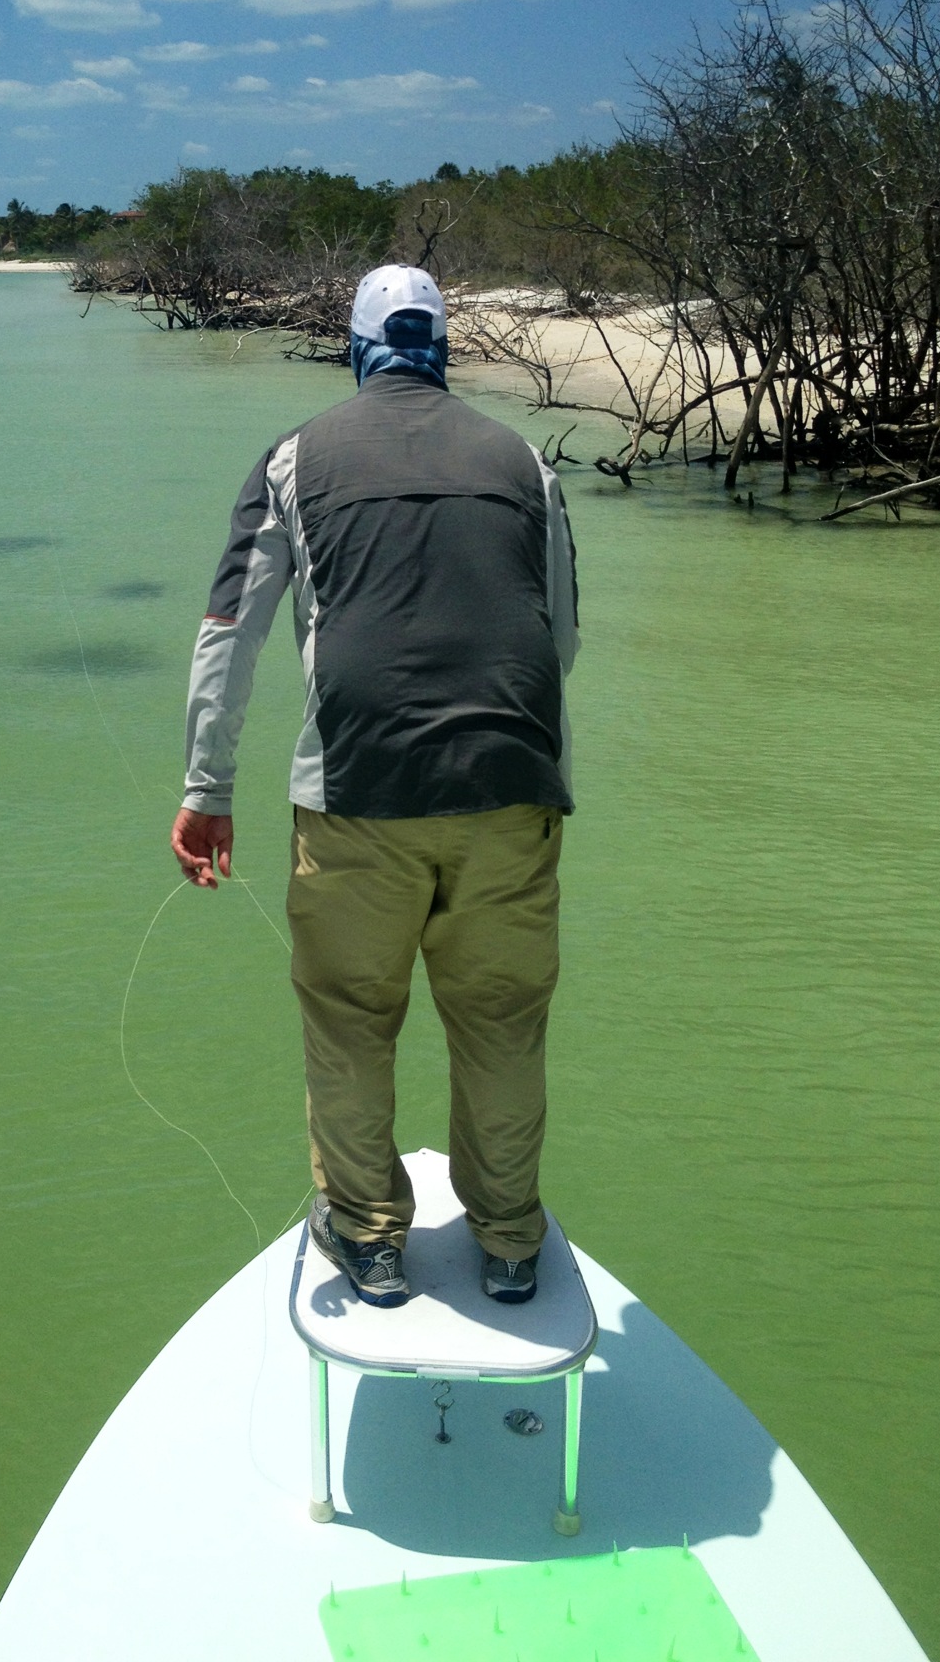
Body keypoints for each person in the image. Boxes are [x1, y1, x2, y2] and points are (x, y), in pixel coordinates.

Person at [169, 264, 578, 1310]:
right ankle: (508, 1241)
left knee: (352, 1020)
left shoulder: (293, 456)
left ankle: (371, 1233)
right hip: (514, 790)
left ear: (358, 348)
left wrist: (208, 784)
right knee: (501, 1022)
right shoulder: (527, 463)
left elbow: (231, 632)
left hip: (356, 797)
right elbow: (561, 637)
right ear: (441, 348)